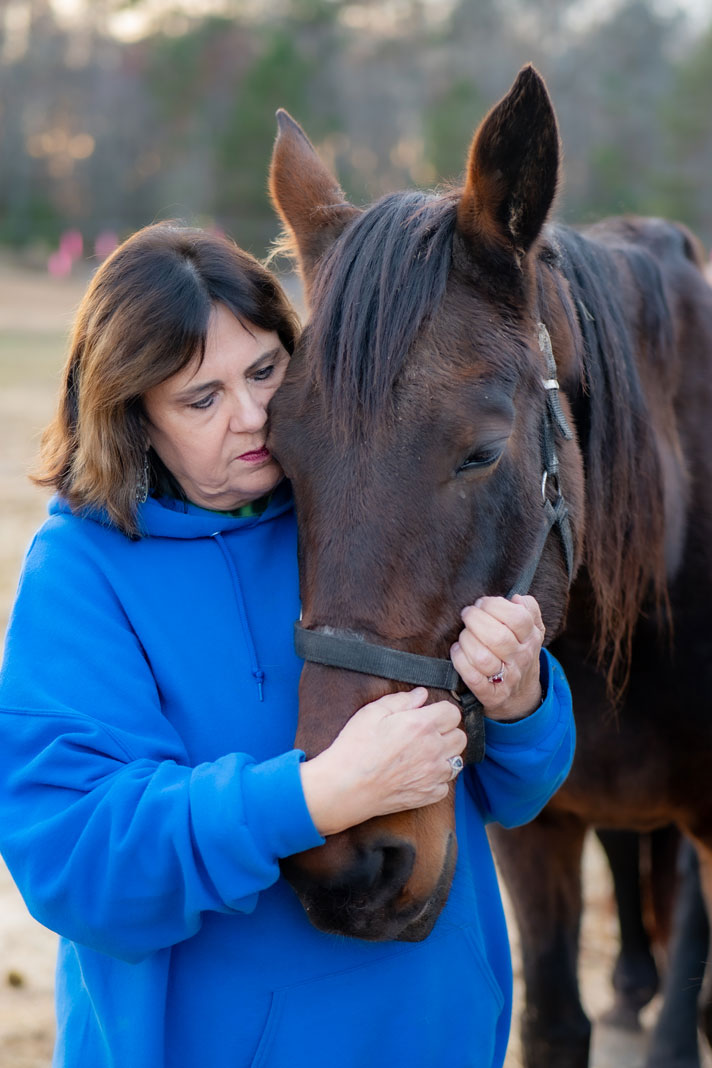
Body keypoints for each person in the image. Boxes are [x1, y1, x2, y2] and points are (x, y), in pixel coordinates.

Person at [0, 223, 575, 1068]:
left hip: (435, 1036)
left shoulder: (365, 503)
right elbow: (79, 854)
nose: (253, 416)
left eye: (265, 370)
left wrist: (520, 701)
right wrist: (311, 800)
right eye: (201, 398)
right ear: (133, 416)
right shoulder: (83, 572)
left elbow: (510, 795)